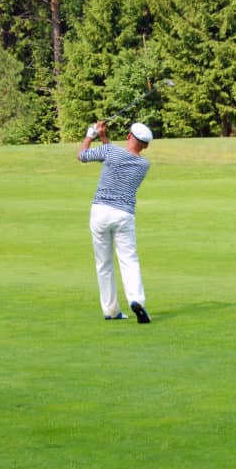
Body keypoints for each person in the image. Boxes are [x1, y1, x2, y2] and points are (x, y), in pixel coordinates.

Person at [78, 120, 154, 323]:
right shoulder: (144, 164)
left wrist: (90, 134)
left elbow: (82, 156)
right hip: (124, 215)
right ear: (145, 145)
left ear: (129, 136)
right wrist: (103, 138)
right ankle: (136, 300)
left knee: (104, 263)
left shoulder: (111, 151)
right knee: (129, 261)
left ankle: (111, 310)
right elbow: (113, 154)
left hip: (100, 211)